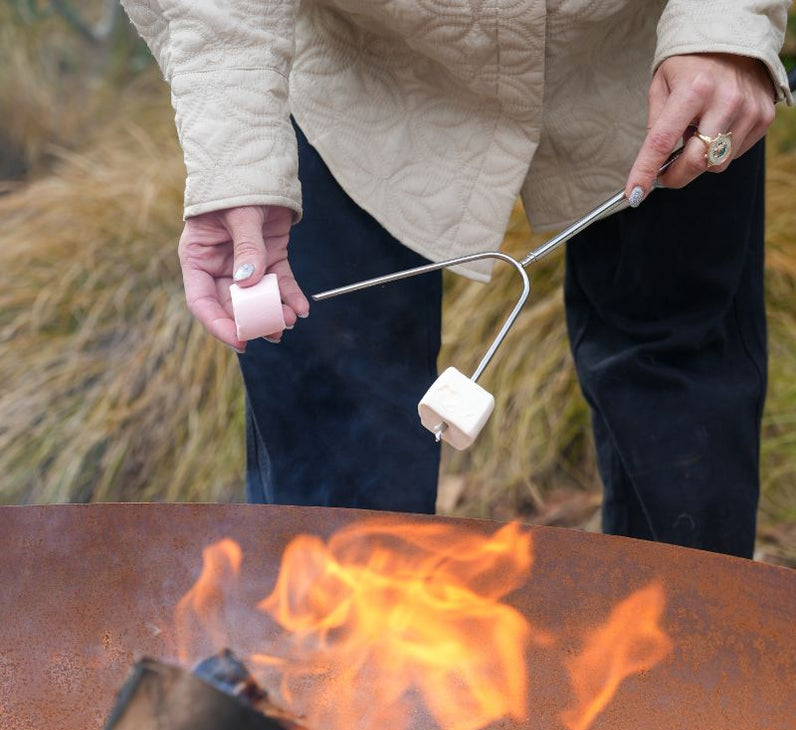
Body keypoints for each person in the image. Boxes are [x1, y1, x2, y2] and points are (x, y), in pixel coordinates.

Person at [120, 1, 792, 557]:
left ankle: (686, 689)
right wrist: (237, 153)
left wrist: (729, 23)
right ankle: (334, 700)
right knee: (334, 466)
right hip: (356, 81)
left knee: (681, 419)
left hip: (660, 72)